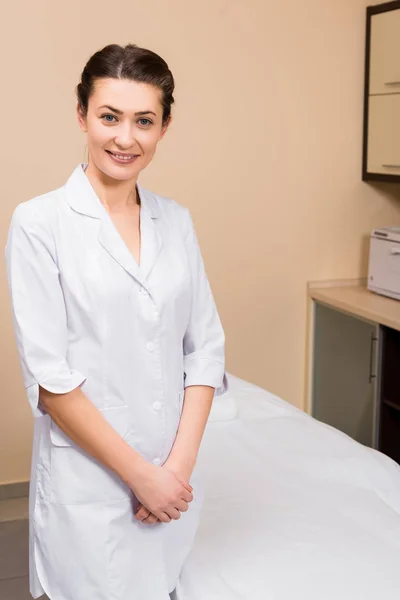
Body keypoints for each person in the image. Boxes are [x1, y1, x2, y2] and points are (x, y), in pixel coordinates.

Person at [4, 43, 228, 600]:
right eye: (110, 117)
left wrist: (173, 471)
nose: (125, 138)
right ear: (82, 115)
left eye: (144, 121)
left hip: (169, 480)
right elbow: (53, 382)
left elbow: (205, 350)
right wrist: (142, 477)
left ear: (164, 126)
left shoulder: (176, 221)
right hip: (93, 484)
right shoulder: (39, 223)